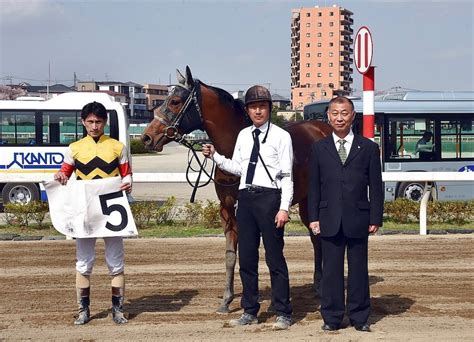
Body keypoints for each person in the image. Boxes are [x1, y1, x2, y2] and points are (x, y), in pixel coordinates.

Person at [202, 85, 293, 330]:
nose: (258, 111)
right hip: (246, 198)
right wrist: (215, 158)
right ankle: (250, 310)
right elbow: (240, 168)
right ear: (248, 110)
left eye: (262, 106)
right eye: (253, 107)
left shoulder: (282, 136)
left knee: (275, 259)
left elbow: (287, 176)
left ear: (270, 109)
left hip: (270, 199)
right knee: (247, 260)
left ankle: (283, 311)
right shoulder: (243, 135)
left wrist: (284, 207)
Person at [308, 96, 383, 333]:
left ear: (352, 116)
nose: (339, 118)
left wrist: (375, 218)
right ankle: (331, 316)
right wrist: (313, 217)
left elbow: (376, 186)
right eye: (335, 113)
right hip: (328, 218)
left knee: (359, 270)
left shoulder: (369, 148)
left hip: (359, 218)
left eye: (344, 113)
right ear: (328, 116)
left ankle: (360, 317)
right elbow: (314, 187)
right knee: (331, 271)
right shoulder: (319, 148)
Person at [54, 101, 132, 325]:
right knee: (83, 262)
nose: (95, 126)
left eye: (98, 122)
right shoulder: (75, 148)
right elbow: (64, 174)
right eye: (90, 122)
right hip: (85, 211)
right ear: (83, 122)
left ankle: (118, 310)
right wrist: (60, 177)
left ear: (105, 122)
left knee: (116, 261)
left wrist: (128, 183)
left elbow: (126, 175)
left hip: (111, 211)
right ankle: (83, 311)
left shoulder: (117, 147)